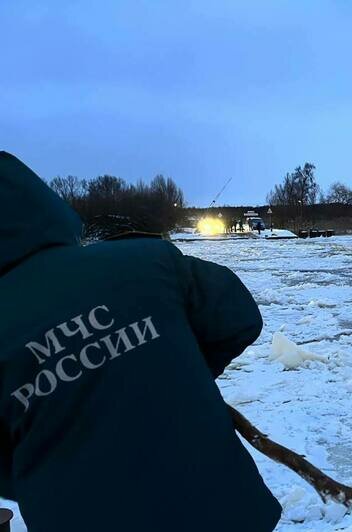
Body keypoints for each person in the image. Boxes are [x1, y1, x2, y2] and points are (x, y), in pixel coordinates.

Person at [0, 152, 282, 532]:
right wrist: (168, 365)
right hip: (226, 511)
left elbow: (9, 470)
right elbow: (238, 316)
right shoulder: (146, 260)